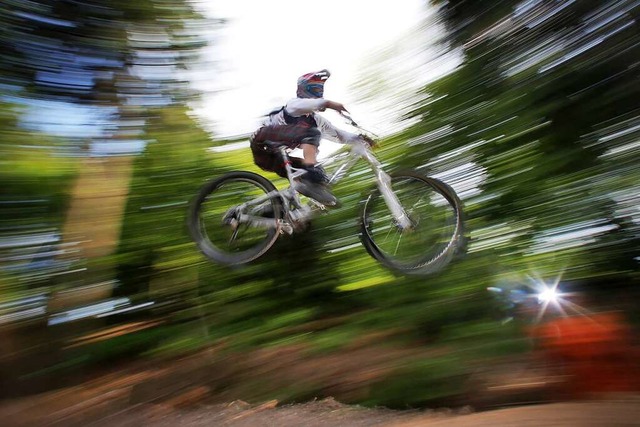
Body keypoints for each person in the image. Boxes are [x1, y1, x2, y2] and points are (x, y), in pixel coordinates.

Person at [249, 69, 365, 205]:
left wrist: (359, 138)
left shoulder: (316, 120)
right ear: (303, 90)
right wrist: (330, 104)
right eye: (315, 88)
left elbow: (338, 135)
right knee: (312, 135)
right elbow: (317, 104)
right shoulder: (294, 105)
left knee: (319, 176)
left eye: (320, 89)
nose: (318, 93)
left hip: (275, 157)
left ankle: (277, 211)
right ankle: (310, 168)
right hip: (262, 142)